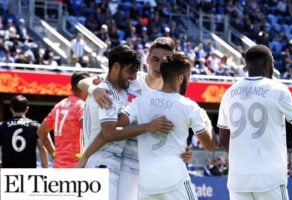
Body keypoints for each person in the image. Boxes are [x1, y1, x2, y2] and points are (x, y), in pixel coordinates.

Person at [78, 37, 193, 200]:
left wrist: (183, 149)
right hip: (111, 159)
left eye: (164, 61)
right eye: (155, 59)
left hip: (139, 167)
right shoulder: (130, 79)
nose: (158, 65)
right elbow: (83, 81)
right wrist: (93, 89)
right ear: (147, 59)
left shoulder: (170, 97)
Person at [102, 52, 216, 199]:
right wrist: (206, 119)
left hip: (147, 184)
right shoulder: (189, 106)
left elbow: (116, 123)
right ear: (181, 78)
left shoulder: (140, 101)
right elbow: (210, 146)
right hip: (175, 180)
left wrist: (99, 90)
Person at [217, 44, 292, 200]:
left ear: (246, 65)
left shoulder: (229, 93)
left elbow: (222, 139)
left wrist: (243, 157)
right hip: (270, 178)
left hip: (239, 180)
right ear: (267, 64)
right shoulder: (278, 90)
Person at [37, 71, 90, 168]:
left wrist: (54, 154)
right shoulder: (82, 106)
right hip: (76, 168)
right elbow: (88, 134)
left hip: (58, 167)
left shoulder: (59, 105)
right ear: (83, 87)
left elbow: (41, 131)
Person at [0, 95, 48, 168]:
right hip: (29, 173)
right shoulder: (35, 126)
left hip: (8, 172)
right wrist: (45, 169)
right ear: (27, 109)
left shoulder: (2, 126)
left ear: (11, 109)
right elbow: (42, 148)